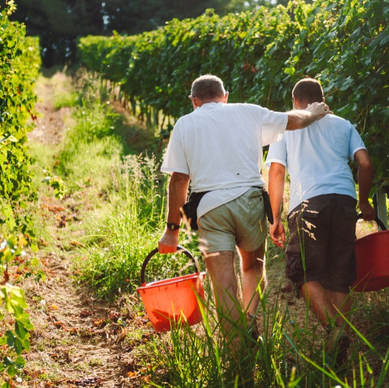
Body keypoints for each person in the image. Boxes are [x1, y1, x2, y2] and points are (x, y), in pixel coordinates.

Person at [158, 74, 330, 353]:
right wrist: (314, 111)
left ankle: (239, 353)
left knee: (223, 285)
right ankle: (249, 319)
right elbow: (293, 120)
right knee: (251, 266)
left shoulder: (185, 124)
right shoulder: (248, 111)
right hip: (250, 202)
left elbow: (179, 180)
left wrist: (171, 230)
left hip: (210, 208)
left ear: (194, 101)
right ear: (225, 96)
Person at [265, 77, 375, 365]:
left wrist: (274, 217)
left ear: (295, 102)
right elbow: (365, 163)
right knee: (339, 277)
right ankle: (339, 348)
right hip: (343, 202)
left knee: (304, 273)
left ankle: (334, 332)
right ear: (322, 99)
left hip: (308, 204)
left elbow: (276, 171)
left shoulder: (286, 128)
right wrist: (364, 201)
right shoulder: (343, 124)